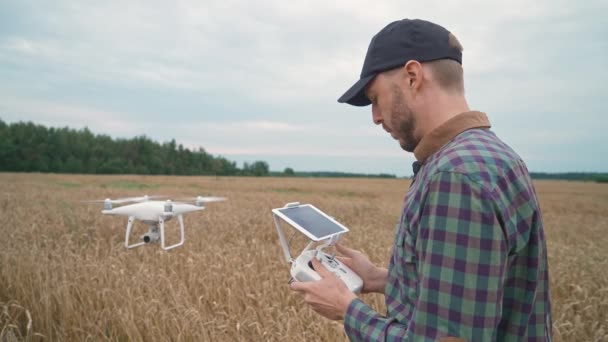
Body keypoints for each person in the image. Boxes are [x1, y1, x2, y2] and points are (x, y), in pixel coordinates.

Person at [290, 18, 553, 341]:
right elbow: (478, 295)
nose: (375, 117)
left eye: (375, 98)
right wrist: (380, 279)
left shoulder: (455, 177)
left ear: (413, 77)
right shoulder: (492, 155)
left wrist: (348, 310)